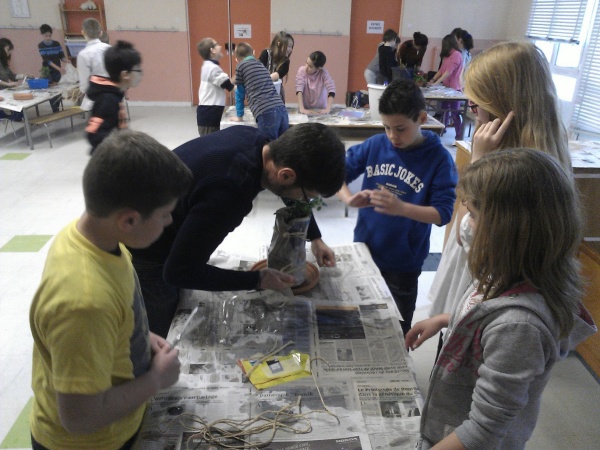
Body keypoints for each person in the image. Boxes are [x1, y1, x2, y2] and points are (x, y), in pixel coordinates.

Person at [406, 148, 596, 450]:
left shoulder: (520, 328)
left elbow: (482, 432)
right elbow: (483, 313)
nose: (464, 223)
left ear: (508, 229)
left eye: (472, 214)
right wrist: (445, 320)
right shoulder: (504, 273)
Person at [29, 130, 194, 450]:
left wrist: (137, 335)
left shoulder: (90, 237)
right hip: (91, 442)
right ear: (129, 221)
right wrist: (155, 380)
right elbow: (79, 418)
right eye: (163, 215)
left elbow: (112, 315)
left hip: (116, 418)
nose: (169, 220)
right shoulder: (84, 303)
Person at [129, 123, 346, 338]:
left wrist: (315, 237)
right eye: (308, 196)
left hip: (153, 206)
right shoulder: (230, 191)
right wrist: (257, 280)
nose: (305, 201)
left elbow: (287, 188)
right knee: (160, 332)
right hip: (145, 244)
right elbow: (178, 271)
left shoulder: (256, 139)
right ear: (286, 175)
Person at [428, 41, 572, 323]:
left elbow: (465, 233)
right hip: (475, 280)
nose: (474, 113)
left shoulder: (524, 168)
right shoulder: (543, 145)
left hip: (487, 289)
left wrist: (480, 163)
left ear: (500, 105)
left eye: (477, 104)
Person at [337, 79, 457, 336]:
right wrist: (348, 198)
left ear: (422, 118)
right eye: (387, 127)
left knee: (396, 327)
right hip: (365, 251)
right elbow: (337, 175)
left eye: (400, 128)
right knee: (361, 319)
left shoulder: (438, 159)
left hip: (403, 263)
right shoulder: (376, 145)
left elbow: (443, 213)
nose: (393, 136)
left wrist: (402, 208)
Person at [85, 40, 142, 154]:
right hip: (107, 159)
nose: (141, 74)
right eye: (138, 70)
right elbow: (93, 134)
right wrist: (124, 142)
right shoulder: (108, 100)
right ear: (125, 74)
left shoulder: (115, 95)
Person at [231, 42, 288, 141]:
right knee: (282, 146)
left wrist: (239, 116)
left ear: (238, 59)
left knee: (268, 148)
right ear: (253, 53)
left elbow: (239, 94)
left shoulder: (240, 66)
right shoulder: (261, 65)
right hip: (281, 109)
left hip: (266, 112)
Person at [196, 37, 235, 136]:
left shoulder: (209, 66)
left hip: (209, 112)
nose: (221, 46)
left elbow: (226, 82)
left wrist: (239, 72)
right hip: (209, 113)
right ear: (212, 50)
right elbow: (230, 87)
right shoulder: (212, 68)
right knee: (209, 143)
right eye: (217, 44)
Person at [429, 34, 464, 139]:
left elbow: (448, 72)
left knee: (455, 113)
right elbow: (441, 70)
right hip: (446, 89)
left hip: (454, 90)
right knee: (444, 110)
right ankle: (443, 129)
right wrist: (432, 80)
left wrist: (436, 83)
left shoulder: (457, 55)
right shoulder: (447, 56)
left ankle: (459, 136)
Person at [77, 18, 111, 111]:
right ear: (100, 33)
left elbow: (84, 85)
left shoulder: (83, 55)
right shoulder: (111, 50)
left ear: (83, 33)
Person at [295, 50, 336, 115]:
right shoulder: (301, 71)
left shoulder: (323, 73)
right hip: (305, 108)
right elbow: (299, 89)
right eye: (306, 63)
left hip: (320, 109)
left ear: (318, 68)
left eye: (310, 66)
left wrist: (328, 109)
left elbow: (331, 90)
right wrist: (302, 108)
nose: (306, 67)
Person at [259, 31, 294, 102]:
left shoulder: (285, 61)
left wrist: (262, 81)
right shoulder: (266, 54)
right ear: (279, 44)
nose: (291, 50)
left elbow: (277, 74)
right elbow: (258, 71)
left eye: (291, 47)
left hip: (276, 96)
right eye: (289, 46)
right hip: (262, 94)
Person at [0, 38, 26, 121]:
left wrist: (23, 76)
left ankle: (16, 115)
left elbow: (12, 76)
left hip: (5, 89)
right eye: (8, 49)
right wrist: (8, 84)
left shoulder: (3, 62)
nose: (10, 52)